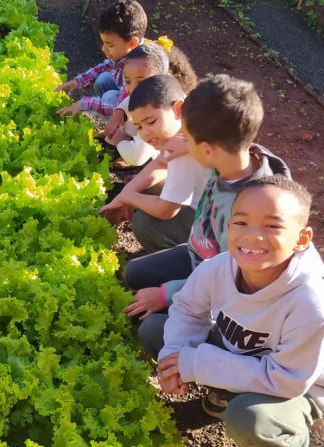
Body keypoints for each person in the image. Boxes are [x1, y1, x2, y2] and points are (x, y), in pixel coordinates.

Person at [157, 175, 324, 446]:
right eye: (241, 222)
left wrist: (196, 363)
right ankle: (227, 393)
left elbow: (287, 379)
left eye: (272, 225)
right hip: (241, 354)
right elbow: (187, 308)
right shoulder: (219, 267)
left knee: (250, 420)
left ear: (301, 238)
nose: (252, 235)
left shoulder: (311, 303)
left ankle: (293, 435)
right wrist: (174, 359)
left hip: (297, 389)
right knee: (157, 332)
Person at [123, 74, 290, 325]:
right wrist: (190, 145)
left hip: (227, 293)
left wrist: (165, 294)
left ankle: (194, 318)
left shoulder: (246, 211)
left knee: (151, 330)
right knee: (133, 272)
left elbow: (232, 279)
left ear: (208, 148)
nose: (179, 143)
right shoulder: (232, 158)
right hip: (200, 255)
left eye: (186, 137)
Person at [100, 74, 210, 254]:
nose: (145, 133)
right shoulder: (190, 127)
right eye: (139, 127)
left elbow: (165, 210)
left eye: (151, 122)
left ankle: (190, 263)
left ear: (178, 109)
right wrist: (124, 195)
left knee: (144, 223)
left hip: (216, 232)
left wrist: (128, 198)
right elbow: (160, 162)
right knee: (144, 185)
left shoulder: (183, 150)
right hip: (207, 209)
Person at [104, 42, 197, 167]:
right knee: (113, 100)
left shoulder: (160, 110)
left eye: (140, 81)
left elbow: (136, 158)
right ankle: (131, 142)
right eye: (127, 81)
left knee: (152, 177)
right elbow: (129, 101)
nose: (132, 88)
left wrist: (118, 140)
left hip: (174, 159)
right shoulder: (151, 92)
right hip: (159, 140)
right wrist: (118, 113)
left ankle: (142, 155)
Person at [55, 0, 147, 118]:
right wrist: (78, 82)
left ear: (132, 43)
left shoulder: (140, 66)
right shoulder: (127, 51)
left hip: (141, 113)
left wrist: (84, 103)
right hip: (126, 95)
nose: (103, 49)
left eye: (110, 45)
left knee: (110, 97)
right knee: (103, 79)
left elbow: (119, 104)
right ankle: (115, 121)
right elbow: (105, 66)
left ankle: (118, 129)